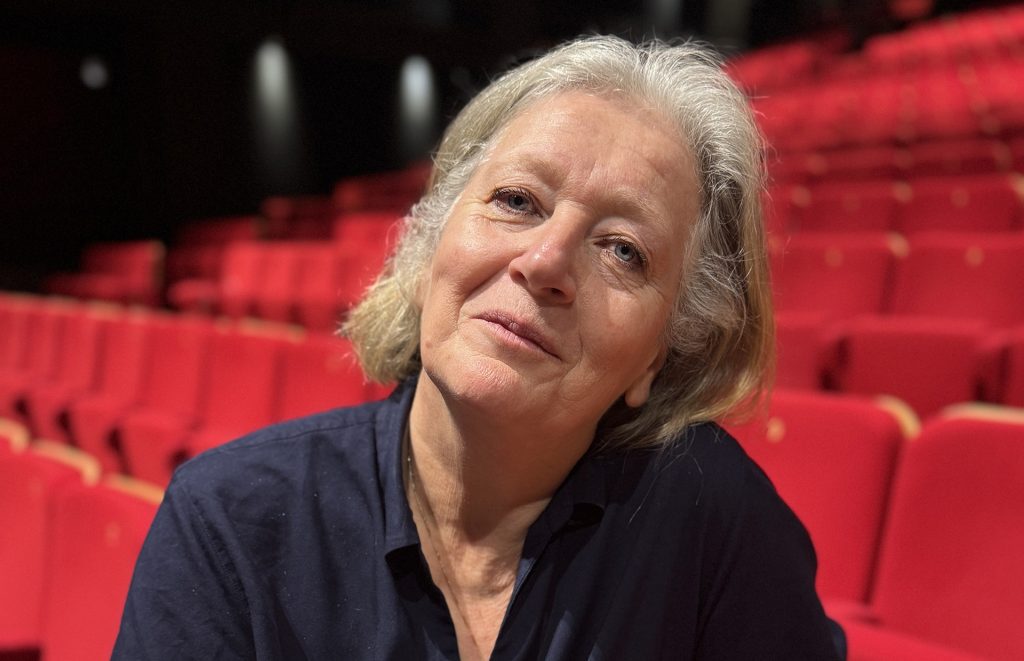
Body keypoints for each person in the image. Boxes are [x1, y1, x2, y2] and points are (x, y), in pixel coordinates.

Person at [114, 36, 843, 660]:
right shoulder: (227, 523)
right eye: (517, 201)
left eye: (623, 249)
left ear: (660, 353)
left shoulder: (718, 522)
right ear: (430, 245)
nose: (546, 262)